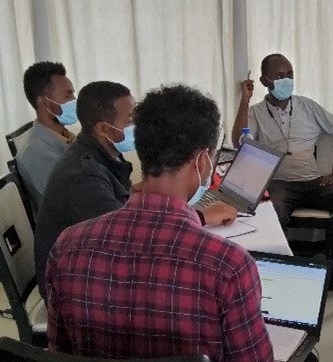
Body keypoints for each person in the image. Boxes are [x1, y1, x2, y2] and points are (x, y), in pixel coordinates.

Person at [46, 84, 321, 362]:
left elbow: (60, 358)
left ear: (140, 150)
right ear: (203, 161)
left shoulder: (67, 246)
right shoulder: (229, 265)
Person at [34, 81, 236, 300]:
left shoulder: (103, 155)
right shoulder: (82, 176)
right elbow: (130, 237)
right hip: (75, 288)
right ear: (103, 128)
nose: (138, 129)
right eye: (130, 121)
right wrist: (200, 216)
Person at [232, 53, 333, 287]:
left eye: (290, 75)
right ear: (265, 81)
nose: (287, 81)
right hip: (279, 183)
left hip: (313, 182)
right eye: (279, 76)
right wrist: (245, 99)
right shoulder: (256, 112)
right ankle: (280, 275)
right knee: (274, 214)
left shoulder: (307, 106)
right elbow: (238, 141)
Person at [17, 61, 77, 209]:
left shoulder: (66, 137)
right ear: (44, 102)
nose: (74, 101)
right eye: (67, 95)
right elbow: (71, 204)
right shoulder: (36, 153)